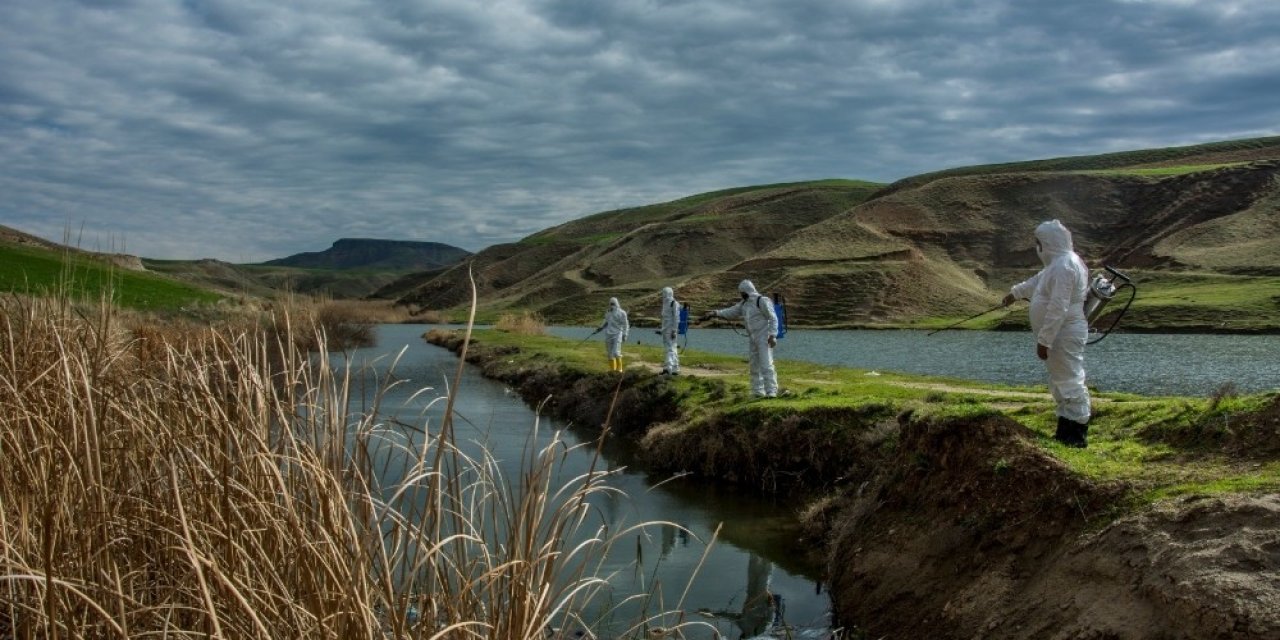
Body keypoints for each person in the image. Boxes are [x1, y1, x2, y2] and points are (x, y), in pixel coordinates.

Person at [1002, 219, 1092, 447]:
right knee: (1060, 380)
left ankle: (1075, 436)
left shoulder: (1065, 266)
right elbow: (1036, 282)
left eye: (1038, 243)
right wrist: (1015, 293)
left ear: (1048, 243)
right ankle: (1065, 431)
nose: (1037, 248)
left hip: (1064, 332)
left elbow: (1058, 306)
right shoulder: (1057, 265)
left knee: (1070, 380)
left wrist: (1045, 340)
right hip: (1060, 334)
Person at [702, 280, 779, 398]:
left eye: (742, 292)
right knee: (754, 365)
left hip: (764, 337)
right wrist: (715, 313)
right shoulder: (744, 304)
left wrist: (773, 335)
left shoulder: (762, 301)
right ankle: (757, 391)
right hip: (753, 338)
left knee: (766, 364)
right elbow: (731, 312)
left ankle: (771, 390)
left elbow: (773, 318)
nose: (741, 295)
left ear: (747, 291)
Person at [599, 297, 629, 372]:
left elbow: (626, 324)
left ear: (617, 304)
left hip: (618, 334)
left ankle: (620, 370)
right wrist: (600, 327)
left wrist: (625, 334)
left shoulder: (622, 313)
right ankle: (612, 370)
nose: (612, 305)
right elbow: (605, 322)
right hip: (608, 334)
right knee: (609, 354)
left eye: (613, 304)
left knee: (616, 352)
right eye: (611, 304)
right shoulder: (608, 313)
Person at [659, 286, 681, 375]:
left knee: (670, 349)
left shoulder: (674, 303)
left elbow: (676, 318)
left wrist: (674, 330)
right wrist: (662, 329)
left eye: (664, 293)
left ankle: (668, 368)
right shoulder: (665, 304)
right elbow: (665, 318)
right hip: (666, 330)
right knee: (672, 348)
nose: (663, 295)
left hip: (671, 330)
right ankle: (675, 368)